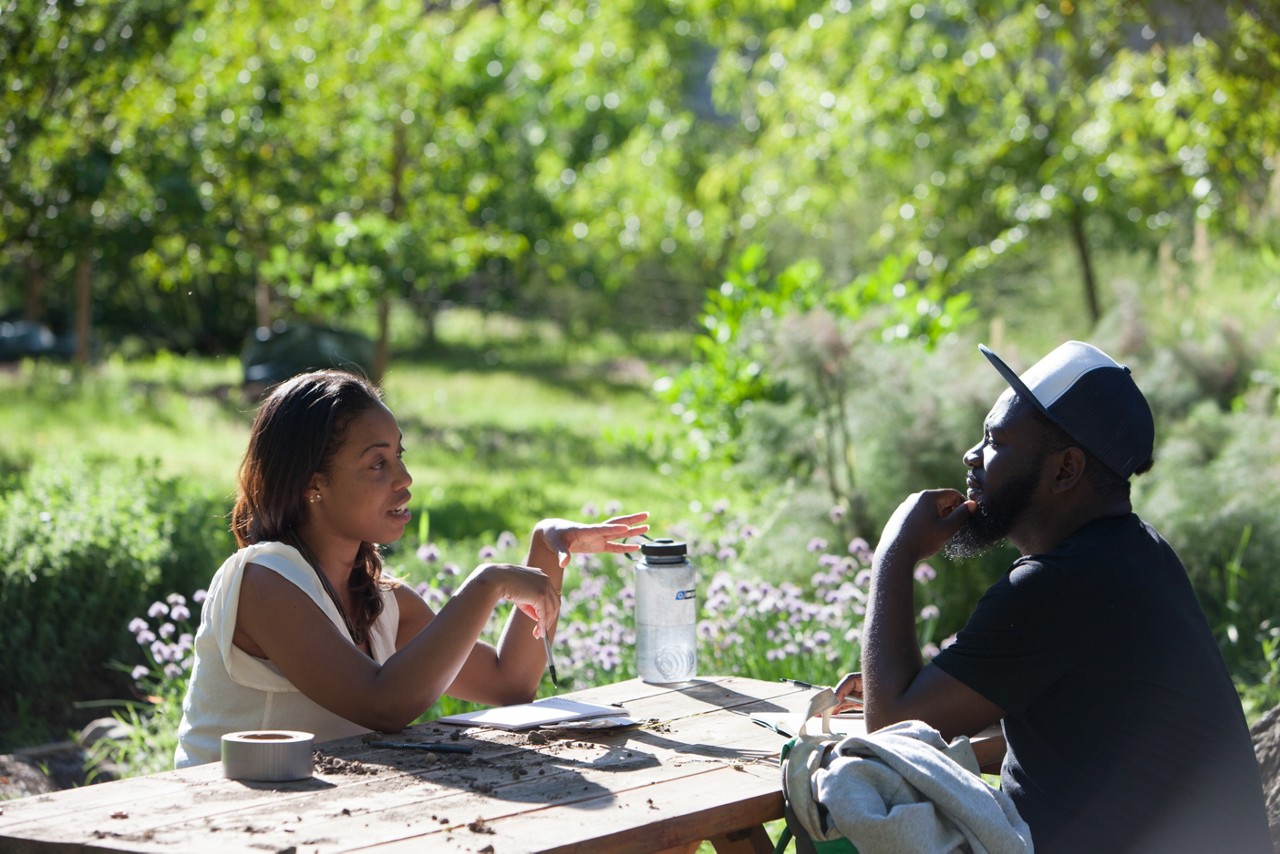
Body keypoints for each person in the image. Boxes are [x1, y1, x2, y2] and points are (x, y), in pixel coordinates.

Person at [833, 340, 1272, 852]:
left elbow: (889, 730)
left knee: (849, 795)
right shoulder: (1140, 554)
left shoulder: (1054, 586)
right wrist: (936, 692)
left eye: (995, 441)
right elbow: (1066, 728)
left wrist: (895, 553)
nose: (971, 457)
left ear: (1065, 469)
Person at [175, 369, 648, 767]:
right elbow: (385, 704)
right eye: (377, 463)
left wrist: (548, 545)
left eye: (399, 454)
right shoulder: (263, 580)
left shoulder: (377, 600)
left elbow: (509, 683)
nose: (404, 479)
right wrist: (487, 584)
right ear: (313, 484)